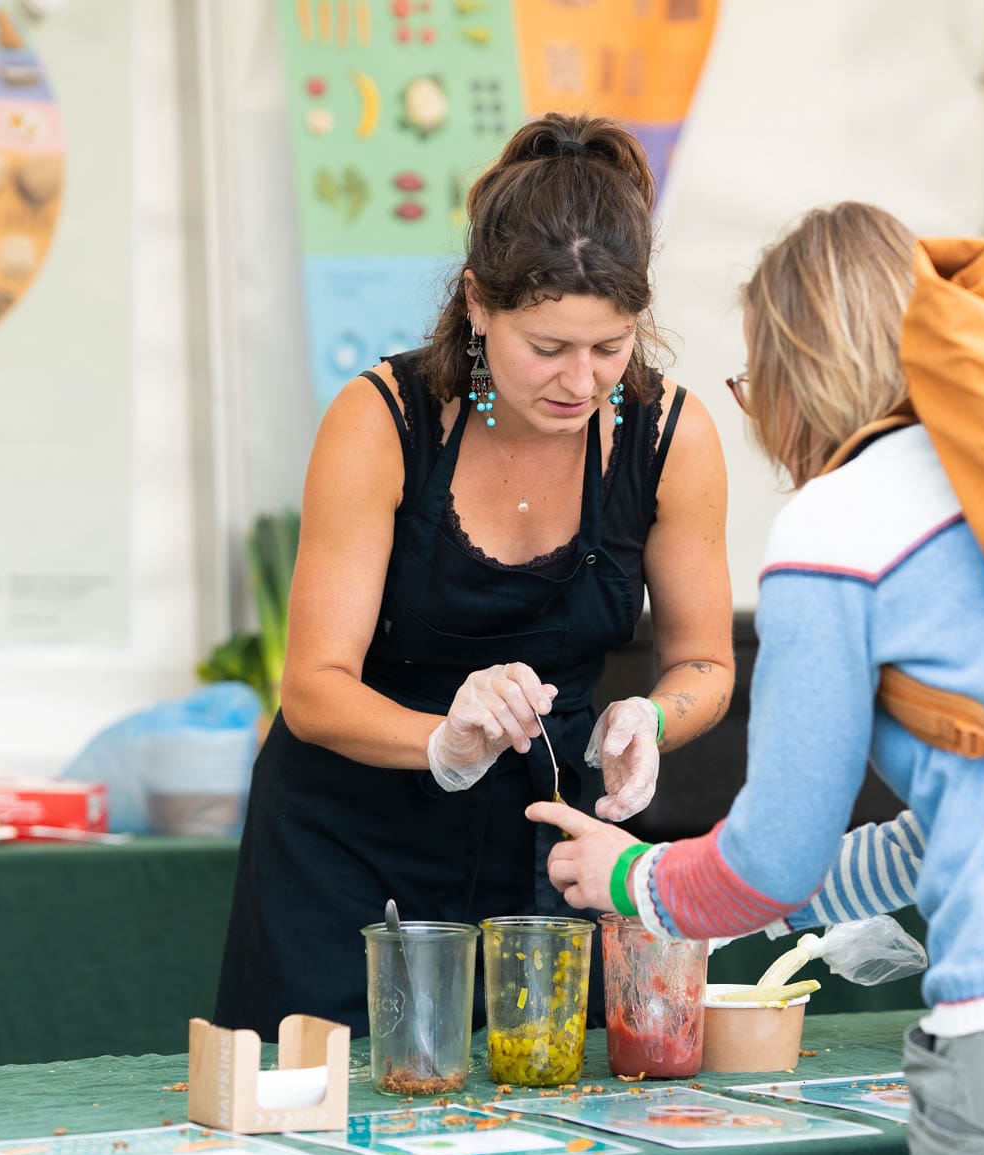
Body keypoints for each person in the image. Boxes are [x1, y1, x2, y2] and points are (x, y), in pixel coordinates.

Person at [529, 201, 984, 1155]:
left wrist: (635, 876)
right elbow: (956, 827)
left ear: (791, 379)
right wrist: (727, 907)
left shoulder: (841, 522)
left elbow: (777, 854)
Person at [214, 113, 734, 1039]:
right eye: (548, 348)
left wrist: (651, 720)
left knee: (542, 1110)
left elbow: (706, 662)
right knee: (327, 1108)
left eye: (610, 347)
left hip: (544, 851)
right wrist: (442, 743)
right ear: (479, 304)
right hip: (346, 848)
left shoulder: (671, 437)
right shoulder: (382, 421)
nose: (582, 382)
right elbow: (313, 688)